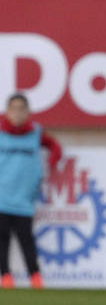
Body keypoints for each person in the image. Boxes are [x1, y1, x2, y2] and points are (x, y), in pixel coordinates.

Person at [0, 93, 62, 289]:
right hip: (1, 196)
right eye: (14, 109)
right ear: (7, 111)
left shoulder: (35, 132)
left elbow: (54, 146)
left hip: (24, 198)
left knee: (26, 238)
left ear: (28, 112)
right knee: (3, 239)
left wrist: (50, 165)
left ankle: (35, 276)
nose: (17, 113)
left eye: (22, 109)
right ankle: (6, 277)